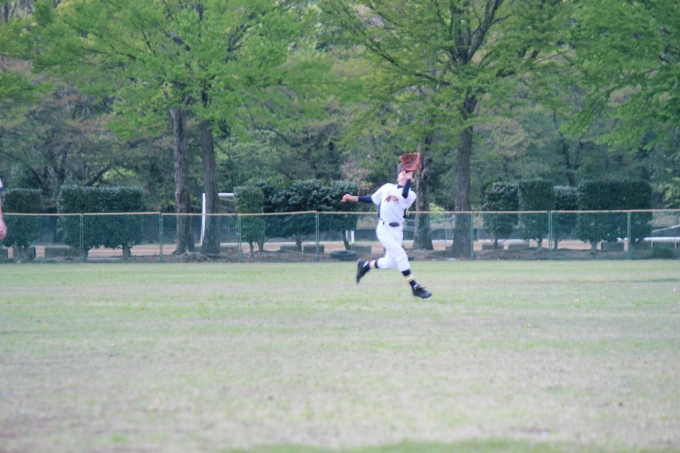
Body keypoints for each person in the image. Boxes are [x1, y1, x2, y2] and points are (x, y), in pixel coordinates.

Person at [341, 164, 432, 298]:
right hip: (384, 229)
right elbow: (372, 199)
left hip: (398, 231)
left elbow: (404, 194)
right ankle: (415, 287)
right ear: (397, 177)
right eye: (402, 171)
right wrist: (352, 198)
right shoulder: (387, 188)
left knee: (389, 263)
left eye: (407, 173)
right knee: (401, 254)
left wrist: (409, 176)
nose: (404, 173)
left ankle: (365, 265)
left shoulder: (411, 195)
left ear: (412, 180)